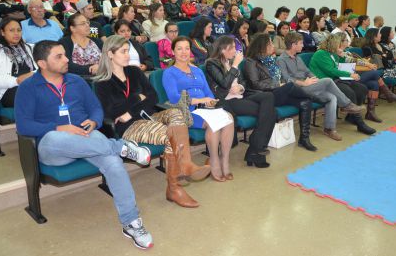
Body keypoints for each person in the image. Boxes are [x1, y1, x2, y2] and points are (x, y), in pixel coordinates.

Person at [14, 40, 153, 249]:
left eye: (65, 54)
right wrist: (59, 128)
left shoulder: (76, 81)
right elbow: (23, 125)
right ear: (42, 63)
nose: (67, 59)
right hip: (54, 145)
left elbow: (96, 109)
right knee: (55, 137)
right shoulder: (28, 87)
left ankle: (131, 222)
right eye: (59, 57)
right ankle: (120, 146)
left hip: (87, 137)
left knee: (114, 164)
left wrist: (94, 121)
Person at [94, 35, 209, 206]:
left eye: (128, 51)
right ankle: (175, 187)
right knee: (170, 134)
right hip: (129, 126)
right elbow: (111, 111)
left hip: (149, 116)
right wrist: (136, 98)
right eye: (123, 52)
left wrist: (130, 108)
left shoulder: (134, 71)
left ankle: (184, 165)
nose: (128, 55)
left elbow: (153, 96)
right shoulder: (102, 82)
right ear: (110, 54)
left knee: (176, 114)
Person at [163, 36, 235, 182]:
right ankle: (214, 161)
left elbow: (208, 92)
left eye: (187, 48)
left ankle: (224, 159)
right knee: (214, 124)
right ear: (172, 51)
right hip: (187, 110)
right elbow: (174, 97)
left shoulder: (197, 70)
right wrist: (200, 100)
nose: (184, 52)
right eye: (179, 49)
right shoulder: (169, 73)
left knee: (229, 118)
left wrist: (210, 101)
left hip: (205, 108)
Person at [205, 36, 276, 167]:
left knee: (268, 97)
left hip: (240, 95)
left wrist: (240, 87)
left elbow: (243, 82)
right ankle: (256, 151)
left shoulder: (231, 61)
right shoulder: (212, 63)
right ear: (222, 49)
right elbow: (224, 83)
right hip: (227, 101)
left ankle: (255, 148)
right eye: (232, 48)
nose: (235, 51)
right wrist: (236, 65)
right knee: (271, 113)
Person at [277, 32, 363, 140]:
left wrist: (315, 79)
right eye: (301, 43)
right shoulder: (281, 60)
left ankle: (329, 129)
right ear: (293, 45)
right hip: (297, 89)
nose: (303, 45)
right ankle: (346, 105)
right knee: (327, 80)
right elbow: (286, 79)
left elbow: (307, 71)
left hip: (309, 85)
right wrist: (303, 83)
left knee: (332, 97)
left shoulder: (297, 58)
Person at [243, 33, 318, 151]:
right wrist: (278, 85)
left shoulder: (271, 60)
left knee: (305, 101)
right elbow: (255, 84)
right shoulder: (250, 62)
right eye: (270, 44)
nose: (273, 46)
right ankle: (316, 97)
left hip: (278, 92)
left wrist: (280, 84)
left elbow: (280, 77)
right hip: (265, 96)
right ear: (263, 46)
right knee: (290, 86)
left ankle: (304, 138)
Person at [309, 34, 376, 135]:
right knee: (350, 93)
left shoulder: (333, 53)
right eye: (339, 43)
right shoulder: (321, 54)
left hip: (335, 80)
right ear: (334, 44)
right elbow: (332, 71)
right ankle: (360, 124)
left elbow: (342, 65)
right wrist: (350, 74)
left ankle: (351, 117)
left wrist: (341, 57)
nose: (341, 45)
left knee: (362, 89)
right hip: (325, 83)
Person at [0, 17, 36, 106]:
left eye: (19, 30)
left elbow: (43, 68)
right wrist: (16, 81)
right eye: (12, 30)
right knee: (32, 97)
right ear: (2, 32)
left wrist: (33, 74)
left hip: (33, 84)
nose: (16, 33)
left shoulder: (31, 47)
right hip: (10, 89)